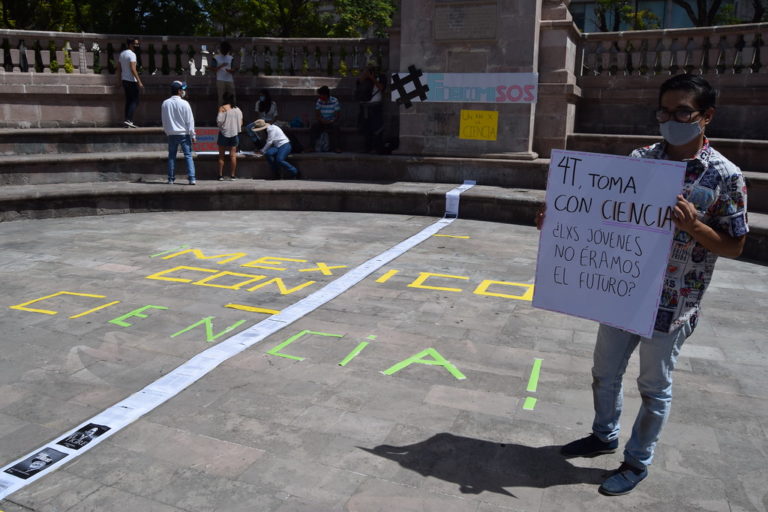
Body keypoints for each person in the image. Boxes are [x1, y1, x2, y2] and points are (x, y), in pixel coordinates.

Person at [540, 74, 748, 496]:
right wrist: (560, 220)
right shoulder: (640, 158)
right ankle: (603, 435)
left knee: (653, 387)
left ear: (706, 117)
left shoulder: (726, 176)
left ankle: (637, 461)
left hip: (674, 303)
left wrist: (695, 228)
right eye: (664, 111)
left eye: (682, 112)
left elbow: (735, 246)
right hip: (622, 288)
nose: (671, 119)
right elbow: (605, 210)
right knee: (604, 373)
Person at [161, 81, 196, 185]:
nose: (184, 91)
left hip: (171, 134)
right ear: (179, 91)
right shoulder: (185, 103)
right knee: (188, 156)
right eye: (183, 90)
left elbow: (164, 120)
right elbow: (190, 120)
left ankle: (171, 178)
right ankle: (191, 178)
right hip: (184, 134)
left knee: (171, 156)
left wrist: (167, 132)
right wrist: (192, 134)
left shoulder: (165, 103)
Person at [356, 62, 386, 153]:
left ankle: (377, 148)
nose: (372, 70)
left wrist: (372, 78)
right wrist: (365, 74)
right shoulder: (364, 78)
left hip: (375, 106)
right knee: (366, 129)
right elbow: (358, 82)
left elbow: (381, 88)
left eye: (373, 69)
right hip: (365, 106)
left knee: (377, 128)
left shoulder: (381, 77)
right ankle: (367, 148)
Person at [117, 37, 143, 128]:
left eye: (137, 44)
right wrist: (139, 81)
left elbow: (119, 69)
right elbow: (133, 69)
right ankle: (129, 120)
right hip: (131, 81)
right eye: (135, 44)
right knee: (135, 101)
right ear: (129, 44)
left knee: (129, 101)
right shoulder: (132, 54)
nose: (137, 45)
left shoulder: (122, 54)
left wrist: (119, 81)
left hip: (125, 80)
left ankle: (127, 120)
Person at [216, 92, 243, 180]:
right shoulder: (238, 109)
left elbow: (219, 121)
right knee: (233, 156)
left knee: (221, 156)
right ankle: (233, 175)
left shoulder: (223, 108)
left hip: (224, 133)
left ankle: (220, 175)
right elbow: (241, 122)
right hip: (234, 134)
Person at [309, 85, 341, 153]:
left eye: (321, 95)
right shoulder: (319, 101)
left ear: (326, 95)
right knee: (314, 126)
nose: (320, 97)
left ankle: (337, 147)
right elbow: (317, 115)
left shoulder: (335, 100)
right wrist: (322, 120)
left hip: (332, 121)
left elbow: (337, 115)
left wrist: (331, 121)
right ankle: (311, 147)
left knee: (336, 127)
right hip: (322, 121)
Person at [213, 41, 236, 107]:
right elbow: (213, 69)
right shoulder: (216, 57)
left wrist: (231, 71)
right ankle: (221, 114)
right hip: (220, 79)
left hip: (229, 79)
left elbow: (234, 69)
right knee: (221, 98)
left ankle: (233, 111)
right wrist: (221, 66)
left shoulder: (231, 58)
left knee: (232, 96)